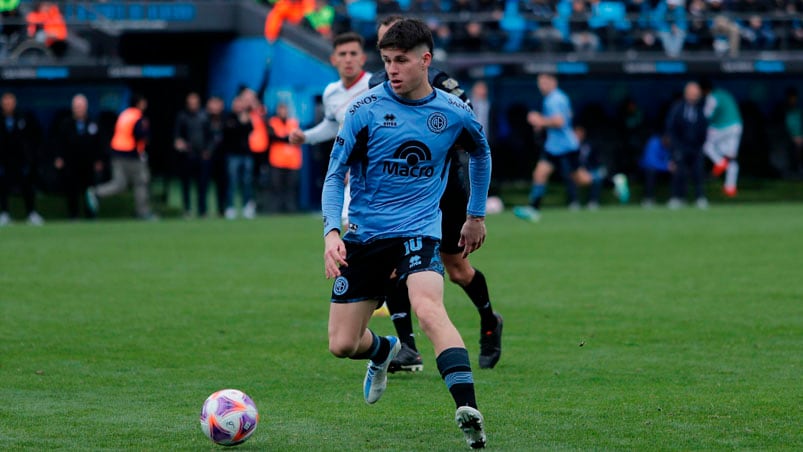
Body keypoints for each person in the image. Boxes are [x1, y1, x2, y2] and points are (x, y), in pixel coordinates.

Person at [322, 19, 490, 449]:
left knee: (429, 308)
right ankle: (382, 351)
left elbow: (481, 152)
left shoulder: (452, 112)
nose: (392, 69)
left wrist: (475, 215)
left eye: (400, 61)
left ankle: (467, 408)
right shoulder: (364, 110)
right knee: (342, 344)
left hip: (419, 232)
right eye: (386, 61)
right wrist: (331, 233)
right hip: (364, 236)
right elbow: (334, 174)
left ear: (425, 61)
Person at [369, 15, 503, 374]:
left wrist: (475, 213)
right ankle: (408, 348)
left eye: (400, 53)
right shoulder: (375, 87)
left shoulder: (442, 85)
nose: (393, 62)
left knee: (457, 270)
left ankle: (490, 321)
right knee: (395, 266)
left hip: (445, 192)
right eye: (386, 52)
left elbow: (471, 136)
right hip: (398, 197)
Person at [513, 73, 624, 222]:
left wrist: (539, 120)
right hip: (553, 147)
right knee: (539, 173)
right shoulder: (557, 98)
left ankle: (614, 180)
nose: (541, 86)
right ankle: (534, 209)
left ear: (554, 82)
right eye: (540, 83)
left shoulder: (555, 99)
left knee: (581, 180)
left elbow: (559, 122)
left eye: (545, 82)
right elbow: (567, 115)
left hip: (566, 147)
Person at [289, 31, 372, 222]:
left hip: (380, 170)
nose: (348, 59)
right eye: (343, 54)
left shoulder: (376, 86)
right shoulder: (331, 92)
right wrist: (306, 137)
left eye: (353, 53)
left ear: (363, 58)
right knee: (350, 227)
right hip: (354, 173)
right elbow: (333, 125)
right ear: (333, 59)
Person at [86, 93, 156, 220]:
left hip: (117, 154)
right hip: (132, 155)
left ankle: (96, 192)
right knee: (141, 182)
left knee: (119, 184)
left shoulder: (125, 114)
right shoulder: (137, 117)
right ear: (139, 103)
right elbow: (140, 135)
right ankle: (143, 212)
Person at [53, 94, 104, 219]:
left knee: (90, 190)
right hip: (71, 162)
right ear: (72, 108)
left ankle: (91, 215)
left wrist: (99, 160)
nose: (79, 109)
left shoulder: (93, 123)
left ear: (86, 107)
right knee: (72, 189)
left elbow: (100, 143)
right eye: (76, 107)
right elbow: (59, 142)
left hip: (88, 163)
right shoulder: (65, 124)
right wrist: (59, 157)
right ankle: (73, 215)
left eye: (81, 106)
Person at [0, 91, 44, 226]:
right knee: (2, 187)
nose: (8, 105)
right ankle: (4, 214)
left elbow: (35, 137)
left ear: (14, 103)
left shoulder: (24, 117)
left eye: (10, 102)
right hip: (4, 159)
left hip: (22, 159)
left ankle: (31, 213)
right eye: (5, 102)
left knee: (27, 186)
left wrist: (31, 157)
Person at [665, 81, 708, 209]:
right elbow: (671, 129)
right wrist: (675, 148)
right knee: (679, 173)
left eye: (697, 94)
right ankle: (678, 198)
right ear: (686, 94)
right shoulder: (677, 109)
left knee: (698, 173)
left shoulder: (701, 110)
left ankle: (700, 198)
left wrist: (700, 144)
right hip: (680, 147)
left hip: (696, 147)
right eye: (692, 94)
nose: (695, 97)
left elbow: (704, 128)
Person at [173, 92, 212, 218]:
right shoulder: (182, 116)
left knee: (202, 185)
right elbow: (177, 135)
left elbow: (211, 136)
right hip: (187, 156)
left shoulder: (204, 116)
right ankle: (187, 209)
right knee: (186, 184)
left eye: (195, 102)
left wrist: (208, 150)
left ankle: (202, 210)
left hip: (202, 155)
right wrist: (180, 143)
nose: (193, 105)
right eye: (191, 103)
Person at [701, 80, 742, 197]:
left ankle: (719, 163)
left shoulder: (712, 97)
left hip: (723, 127)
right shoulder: (725, 94)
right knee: (731, 158)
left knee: (705, 145)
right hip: (737, 126)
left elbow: (707, 115)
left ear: (704, 90)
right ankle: (730, 188)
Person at [267, 102, 302, 212]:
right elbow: (273, 137)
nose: (283, 112)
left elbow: (298, 138)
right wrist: (287, 139)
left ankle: (291, 209)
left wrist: (284, 138)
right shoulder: (273, 122)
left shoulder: (293, 123)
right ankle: (276, 210)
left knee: (291, 187)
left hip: (292, 161)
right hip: (277, 160)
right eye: (281, 109)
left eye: (284, 109)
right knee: (276, 187)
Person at [206, 96, 228, 217]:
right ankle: (202, 210)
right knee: (204, 183)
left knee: (222, 184)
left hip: (222, 156)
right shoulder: (204, 118)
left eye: (217, 103)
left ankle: (222, 209)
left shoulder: (226, 118)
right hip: (207, 156)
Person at [639, 133, 673, 208]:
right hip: (646, 169)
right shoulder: (654, 143)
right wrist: (666, 167)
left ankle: (675, 198)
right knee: (651, 171)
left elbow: (670, 160)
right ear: (664, 138)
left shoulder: (669, 146)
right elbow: (650, 161)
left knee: (675, 171)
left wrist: (670, 166)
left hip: (662, 170)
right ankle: (648, 198)